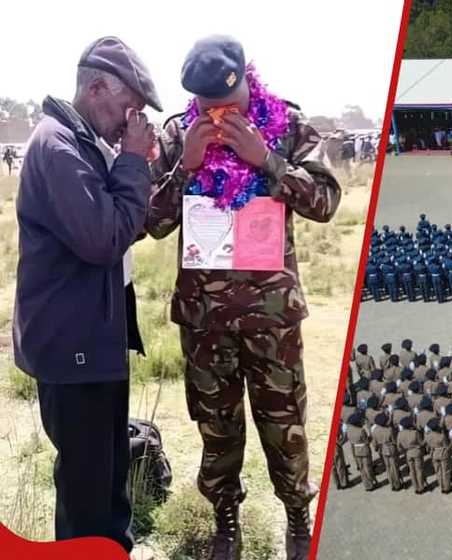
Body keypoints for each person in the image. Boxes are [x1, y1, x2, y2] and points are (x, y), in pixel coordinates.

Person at [146, 36, 339, 559]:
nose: (217, 117)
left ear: (245, 85)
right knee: (217, 428)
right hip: (205, 323)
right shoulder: (176, 136)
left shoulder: (290, 126)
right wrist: (185, 165)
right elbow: (152, 222)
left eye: (227, 106)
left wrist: (267, 160)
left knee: (284, 427)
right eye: (208, 109)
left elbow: (325, 202)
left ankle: (298, 521)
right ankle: (224, 522)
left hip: (272, 319)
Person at [13, 35, 159, 553]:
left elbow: (124, 223)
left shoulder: (82, 143)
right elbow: (102, 238)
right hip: (74, 346)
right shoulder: (57, 146)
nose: (129, 121)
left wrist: (141, 164)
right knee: (86, 490)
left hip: (93, 340)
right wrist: (135, 161)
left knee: (107, 471)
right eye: (128, 107)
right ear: (96, 87)